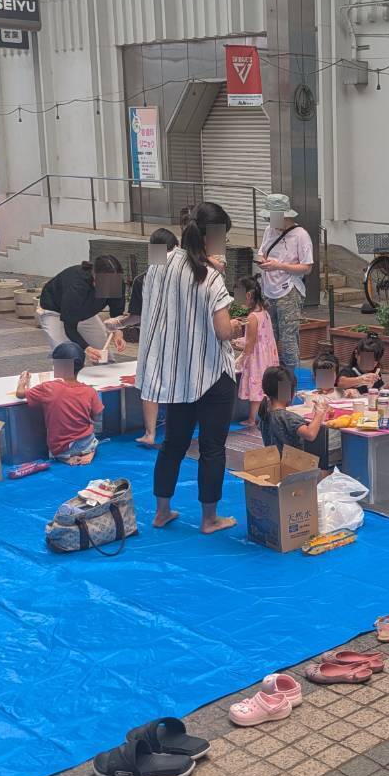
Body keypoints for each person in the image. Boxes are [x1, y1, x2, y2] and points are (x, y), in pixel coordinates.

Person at [135, 200, 243, 535]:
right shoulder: (211, 277)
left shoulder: (159, 262)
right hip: (212, 373)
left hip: (175, 373)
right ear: (213, 237)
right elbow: (222, 331)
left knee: (173, 444)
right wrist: (237, 326)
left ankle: (161, 511)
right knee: (212, 448)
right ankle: (209, 519)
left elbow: (151, 298)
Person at [104, 228, 178, 447]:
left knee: (150, 385)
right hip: (179, 339)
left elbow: (136, 316)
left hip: (154, 340)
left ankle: (150, 433)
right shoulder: (185, 276)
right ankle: (179, 428)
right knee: (177, 383)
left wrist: (118, 323)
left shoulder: (143, 279)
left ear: (151, 249)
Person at [17, 342, 102, 466]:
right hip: (86, 442)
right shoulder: (90, 391)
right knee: (90, 438)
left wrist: (22, 381)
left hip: (62, 447)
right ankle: (89, 451)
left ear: (56, 366)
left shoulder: (48, 388)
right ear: (83, 366)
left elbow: (20, 394)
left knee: (59, 449)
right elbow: (97, 415)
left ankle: (65, 457)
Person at [256, 193, 314, 371]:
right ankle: (272, 376)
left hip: (289, 290)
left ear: (285, 216)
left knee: (288, 339)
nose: (269, 221)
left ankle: (292, 378)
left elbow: (307, 267)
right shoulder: (269, 230)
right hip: (268, 288)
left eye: (272, 217)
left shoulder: (301, 235)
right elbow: (262, 252)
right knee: (269, 336)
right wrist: (262, 261)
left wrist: (279, 266)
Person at [36, 256, 127, 365]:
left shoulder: (116, 282)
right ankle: (65, 374)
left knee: (104, 356)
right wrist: (87, 349)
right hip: (54, 311)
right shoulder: (76, 285)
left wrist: (118, 332)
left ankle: (107, 372)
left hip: (84, 312)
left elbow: (117, 312)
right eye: (104, 283)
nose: (109, 288)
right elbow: (70, 327)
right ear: (94, 274)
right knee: (66, 355)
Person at [258, 364, 329, 468]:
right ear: (287, 392)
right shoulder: (287, 417)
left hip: (275, 466)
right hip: (294, 468)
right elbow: (310, 434)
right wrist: (320, 412)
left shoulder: (265, 414)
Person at [233, 275, 279, 431]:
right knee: (266, 385)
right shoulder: (265, 313)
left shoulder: (252, 317)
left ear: (248, 295)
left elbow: (251, 342)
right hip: (268, 355)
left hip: (257, 358)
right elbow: (262, 337)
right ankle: (268, 414)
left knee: (256, 385)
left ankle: (252, 419)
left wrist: (241, 358)